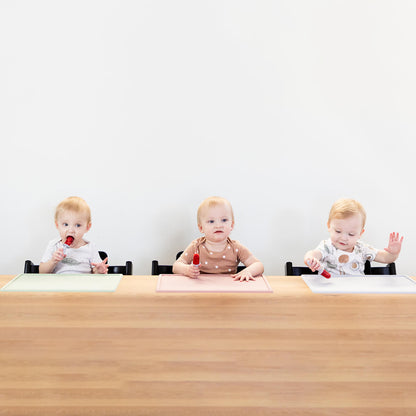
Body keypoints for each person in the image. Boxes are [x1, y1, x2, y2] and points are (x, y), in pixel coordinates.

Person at [173, 196, 264, 281]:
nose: (218, 225)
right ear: (201, 228)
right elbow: (176, 266)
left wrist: (247, 271)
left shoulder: (236, 247)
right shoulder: (196, 246)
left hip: (228, 288)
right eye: (211, 221)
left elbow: (258, 265)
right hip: (202, 288)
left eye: (224, 220)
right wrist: (187, 270)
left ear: (231, 225)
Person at [304, 198, 403, 275]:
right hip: (330, 290)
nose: (343, 238)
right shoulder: (327, 247)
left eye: (351, 234)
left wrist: (393, 253)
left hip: (357, 291)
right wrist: (311, 259)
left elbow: (386, 258)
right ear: (329, 226)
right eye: (338, 231)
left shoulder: (362, 249)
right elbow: (313, 254)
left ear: (360, 234)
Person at [39, 196, 108, 274]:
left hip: (83, 281)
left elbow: (95, 272)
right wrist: (53, 261)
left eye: (78, 225)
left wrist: (99, 271)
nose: (71, 230)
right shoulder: (54, 246)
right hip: (59, 281)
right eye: (65, 224)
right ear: (57, 225)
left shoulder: (90, 247)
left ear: (87, 227)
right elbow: (42, 272)